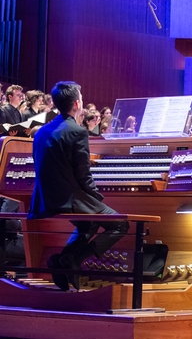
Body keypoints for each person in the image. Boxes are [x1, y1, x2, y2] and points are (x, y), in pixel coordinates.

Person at [28, 81, 130, 291]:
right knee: (120, 224)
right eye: (81, 99)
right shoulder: (77, 131)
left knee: (88, 223)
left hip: (44, 199)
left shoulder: (41, 132)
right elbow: (83, 175)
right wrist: (96, 197)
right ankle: (75, 259)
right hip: (69, 199)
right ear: (76, 104)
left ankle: (63, 260)